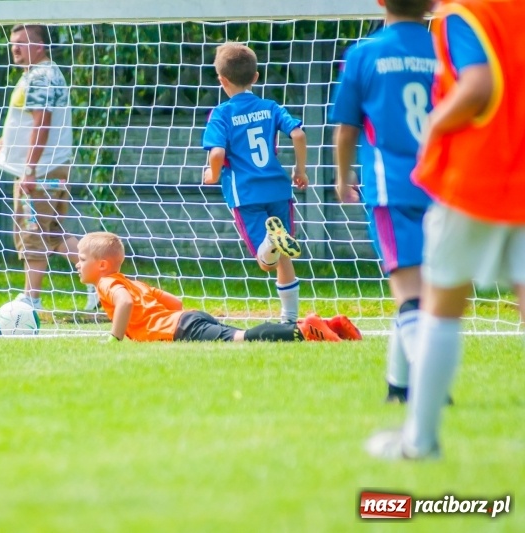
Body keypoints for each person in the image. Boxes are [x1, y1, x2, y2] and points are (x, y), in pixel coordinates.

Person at [367, 0, 525, 460]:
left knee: (441, 304)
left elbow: (478, 85)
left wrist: (435, 126)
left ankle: (420, 441)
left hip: (475, 179)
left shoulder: (465, 13)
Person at [330, 0, 436, 403]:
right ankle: (398, 385)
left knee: (409, 292)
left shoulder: (364, 53)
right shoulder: (444, 51)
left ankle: (428, 386)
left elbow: (346, 129)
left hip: (391, 188)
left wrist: (342, 180)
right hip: (441, 188)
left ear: (379, 2)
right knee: (424, 291)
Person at [0, 23, 98, 312]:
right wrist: (2, 144)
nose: (15, 49)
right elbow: (24, 122)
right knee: (53, 234)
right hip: (55, 169)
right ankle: (100, 282)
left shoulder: (41, 77)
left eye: (22, 42)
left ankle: (30, 300)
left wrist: (30, 170)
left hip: (41, 172)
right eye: (13, 43)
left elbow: (42, 122)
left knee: (32, 233)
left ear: (40, 46)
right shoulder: (39, 75)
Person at [77, 232, 363, 343]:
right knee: (240, 337)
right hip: (188, 319)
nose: (77, 264)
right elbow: (175, 303)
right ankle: (329, 325)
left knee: (242, 339)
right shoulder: (132, 281)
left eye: (82, 259)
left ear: (102, 265)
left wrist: (115, 337)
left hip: (181, 328)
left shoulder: (106, 283)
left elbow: (124, 304)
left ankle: (304, 330)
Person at [202, 42, 310, 329]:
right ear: (256, 77)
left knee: (267, 262)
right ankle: (289, 319)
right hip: (278, 189)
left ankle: (269, 241)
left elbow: (217, 153)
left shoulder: (222, 114)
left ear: (222, 80)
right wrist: (300, 170)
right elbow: (298, 135)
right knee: (283, 253)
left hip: (246, 194)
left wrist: (212, 175)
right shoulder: (270, 107)